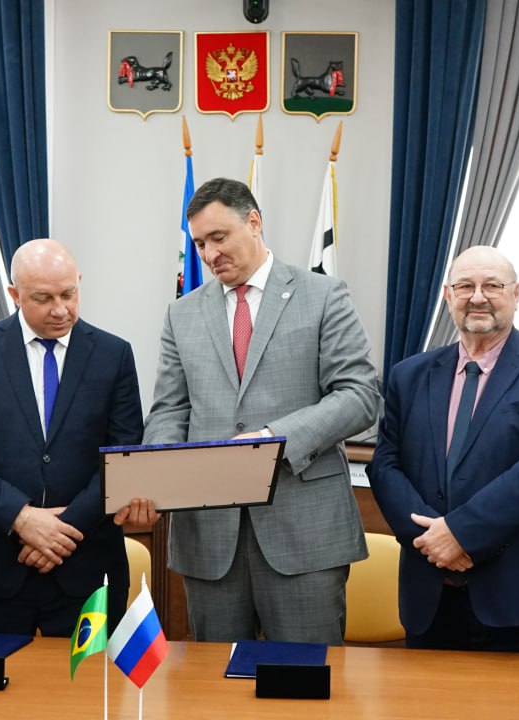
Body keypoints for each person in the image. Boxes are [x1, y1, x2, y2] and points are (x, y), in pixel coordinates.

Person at [121, 177, 380, 645]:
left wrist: (271, 441)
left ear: (254, 222)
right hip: (209, 539)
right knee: (214, 682)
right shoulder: (182, 314)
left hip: (304, 533)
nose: (209, 254)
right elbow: (169, 411)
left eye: (218, 237)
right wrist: (155, 479)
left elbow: (359, 395)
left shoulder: (323, 295)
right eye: (200, 243)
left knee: (300, 681)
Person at [367, 245, 519, 691]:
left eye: (492, 285)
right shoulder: (409, 375)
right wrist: (433, 542)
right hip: (431, 593)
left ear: (516, 293)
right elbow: (385, 462)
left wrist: (461, 534)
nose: (478, 297)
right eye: (465, 286)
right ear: (448, 295)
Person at [0, 238, 141, 635]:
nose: (61, 309)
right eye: (43, 298)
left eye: (69, 294)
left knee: (89, 679)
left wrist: (61, 531)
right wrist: (21, 517)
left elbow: (123, 455)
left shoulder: (113, 354)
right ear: (14, 294)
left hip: (86, 569)